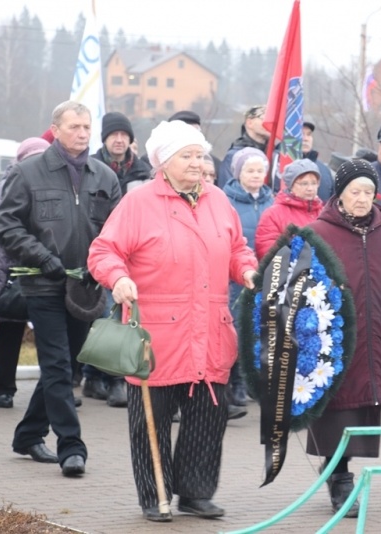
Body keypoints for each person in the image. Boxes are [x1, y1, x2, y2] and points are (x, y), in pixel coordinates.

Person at [87, 119, 258, 523]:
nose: (198, 163)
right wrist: (119, 277)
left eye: (200, 155)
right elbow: (103, 251)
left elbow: (237, 248)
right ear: (164, 161)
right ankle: (155, 494)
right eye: (188, 156)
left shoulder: (218, 200)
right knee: (152, 420)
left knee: (206, 419)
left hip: (210, 329)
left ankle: (196, 493)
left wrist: (247, 271)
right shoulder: (139, 203)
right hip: (156, 332)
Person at [0, 100, 121, 476]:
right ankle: (71, 446)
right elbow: (5, 225)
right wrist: (41, 256)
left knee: (66, 364)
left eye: (86, 127)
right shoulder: (28, 172)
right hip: (43, 284)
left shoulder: (105, 176)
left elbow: (116, 231)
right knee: (57, 363)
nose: (82, 134)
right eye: (74, 127)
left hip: (85, 287)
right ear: (56, 129)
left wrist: (102, 267)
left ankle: (28, 434)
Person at [304, 159, 381, 517]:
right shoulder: (317, 233)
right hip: (331, 341)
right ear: (339, 195)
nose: (362, 198)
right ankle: (339, 478)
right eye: (355, 191)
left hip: (376, 339)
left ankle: (342, 472)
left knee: (363, 410)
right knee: (334, 412)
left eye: (368, 192)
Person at [81, 111, 153, 408]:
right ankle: (96, 376)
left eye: (125, 135)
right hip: (104, 250)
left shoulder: (143, 171)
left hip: (136, 253)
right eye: (114, 135)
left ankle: (114, 379)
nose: (120, 140)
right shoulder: (93, 167)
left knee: (123, 316)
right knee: (103, 317)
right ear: (105, 139)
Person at [0, 137, 50, 408]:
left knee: (50, 333)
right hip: (12, 267)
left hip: (45, 268)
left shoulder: (53, 184)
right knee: (10, 329)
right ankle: (4, 388)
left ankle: (52, 389)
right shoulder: (7, 183)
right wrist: (23, 241)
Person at [223, 146, 274, 415]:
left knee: (254, 330)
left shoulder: (271, 200)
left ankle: (245, 382)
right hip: (233, 276)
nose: (255, 175)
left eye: (260, 170)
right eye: (249, 170)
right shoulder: (226, 200)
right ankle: (232, 381)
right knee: (233, 329)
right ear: (238, 173)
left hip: (262, 274)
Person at [254, 158, 323, 259]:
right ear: (291, 186)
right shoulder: (273, 214)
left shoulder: (323, 212)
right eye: (304, 183)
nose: (310, 188)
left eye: (314, 183)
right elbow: (267, 251)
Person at [218, 105, 269, 189]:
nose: (270, 123)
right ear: (249, 123)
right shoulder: (235, 155)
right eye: (264, 119)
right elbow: (227, 189)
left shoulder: (276, 153)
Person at [301, 118, 334, 201]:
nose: (305, 139)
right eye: (301, 134)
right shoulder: (277, 165)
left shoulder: (324, 170)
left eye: (309, 134)